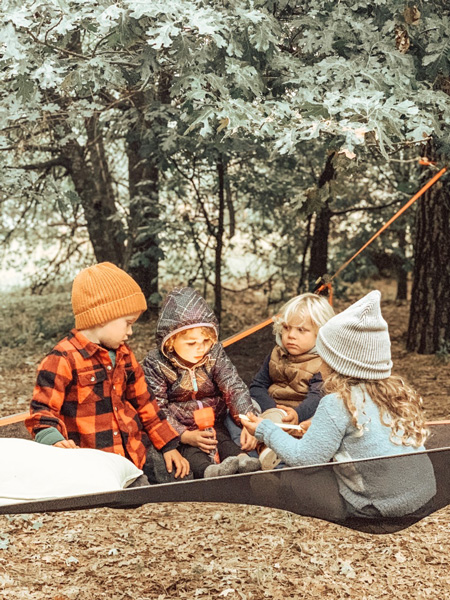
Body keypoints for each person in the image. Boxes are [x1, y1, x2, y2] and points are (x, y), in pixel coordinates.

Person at [243, 290, 436, 518]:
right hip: (424, 494)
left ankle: (281, 493)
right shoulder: (392, 392)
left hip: (379, 507)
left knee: (297, 478)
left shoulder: (337, 403)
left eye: (323, 357)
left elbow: (305, 459)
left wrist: (266, 430)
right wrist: (315, 425)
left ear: (335, 364)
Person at [25, 262, 190, 485]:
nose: (130, 332)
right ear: (102, 316)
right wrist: (53, 441)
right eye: (127, 323)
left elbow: (145, 403)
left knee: (180, 471)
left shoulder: (124, 355)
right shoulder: (62, 358)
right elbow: (42, 410)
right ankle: (133, 483)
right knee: (133, 484)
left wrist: (168, 445)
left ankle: (215, 473)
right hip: (95, 460)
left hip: (135, 450)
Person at [142, 287, 261, 479]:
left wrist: (249, 422)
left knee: (221, 439)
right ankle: (209, 472)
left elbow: (233, 386)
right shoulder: (156, 363)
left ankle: (242, 459)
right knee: (192, 451)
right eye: (191, 343)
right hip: (181, 426)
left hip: (214, 419)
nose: (200, 348)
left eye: (206, 340)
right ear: (171, 341)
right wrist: (184, 435)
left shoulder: (213, 354)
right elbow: (157, 407)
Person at [249, 292, 335, 428]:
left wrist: (297, 414)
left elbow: (317, 397)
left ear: (320, 333)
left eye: (301, 330)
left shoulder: (321, 363)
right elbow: (257, 386)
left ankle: (272, 444)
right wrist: (272, 410)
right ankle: (243, 445)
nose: (291, 335)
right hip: (270, 409)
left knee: (324, 416)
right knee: (235, 410)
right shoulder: (276, 353)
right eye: (287, 328)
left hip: (301, 415)